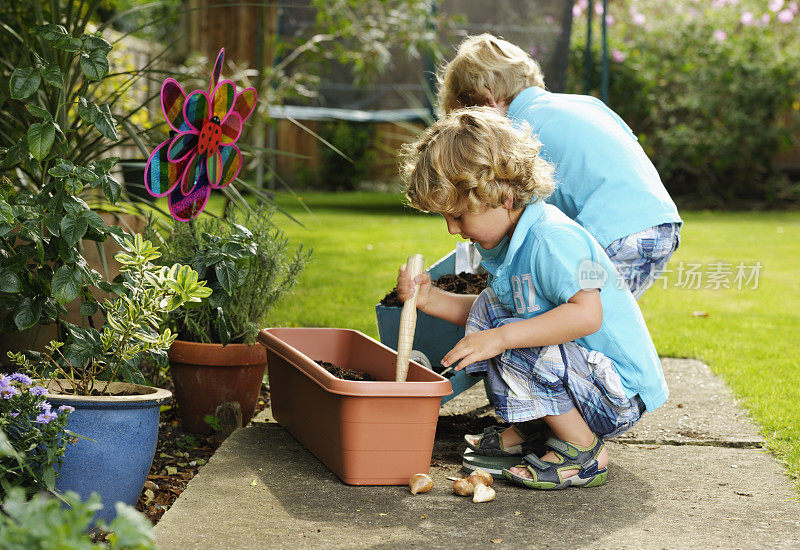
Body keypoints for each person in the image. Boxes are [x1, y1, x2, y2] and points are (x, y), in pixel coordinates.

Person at [396, 107, 667, 489]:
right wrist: (429, 299)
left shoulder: (552, 240)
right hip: (582, 378)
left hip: (616, 392)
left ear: (504, 195)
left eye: (458, 216)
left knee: (509, 333)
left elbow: (588, 316)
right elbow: (490, 313)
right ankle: (535, 430)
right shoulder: (511, 243)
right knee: (497, 314)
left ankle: (583, 450)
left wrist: (501, 337)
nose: (452, 229)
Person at [437, 33, 682, 300]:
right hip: (659, 223)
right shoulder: (585, 103)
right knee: (602, 311)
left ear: (487, 102)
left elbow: (517, 219)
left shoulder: (519, 132)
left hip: (613, 233)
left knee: (561, 310)